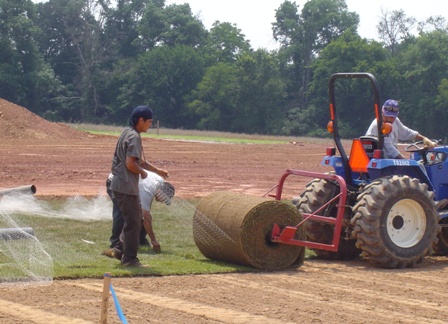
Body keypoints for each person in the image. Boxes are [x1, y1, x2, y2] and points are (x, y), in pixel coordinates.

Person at [105, 105, 168, 268]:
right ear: (141, 120)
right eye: (149, 122)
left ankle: (119, 250)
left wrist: (156, 170)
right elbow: (131, 164)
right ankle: (130, 259)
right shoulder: (134, 137)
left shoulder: (127, 133)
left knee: (130, 220)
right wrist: (142, 173)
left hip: (119, 184)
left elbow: (137, 160)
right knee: (134, 223)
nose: (150, 125)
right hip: (126, 185)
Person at [366, 99, 437, 159]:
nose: (389, 119)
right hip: (381, 160)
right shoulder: (379, 125)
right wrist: (406, 162)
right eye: (387, 116)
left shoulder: (395, 122)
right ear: (382, 113)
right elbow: (390, 149)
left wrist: (424, 138)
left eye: (392, 117)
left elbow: (407, 133)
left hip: (388, 159)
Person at [139, 170, 175, 253]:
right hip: (117, 183)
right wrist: (153, 240)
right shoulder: (147, 192)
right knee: (124, 215)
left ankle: (140, 240)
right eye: (164, 199)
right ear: (161, 192)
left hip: (127, 184)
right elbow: (145, 217)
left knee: (142, 215)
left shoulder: (159, 182)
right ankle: (116, 244)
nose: (162, 201)